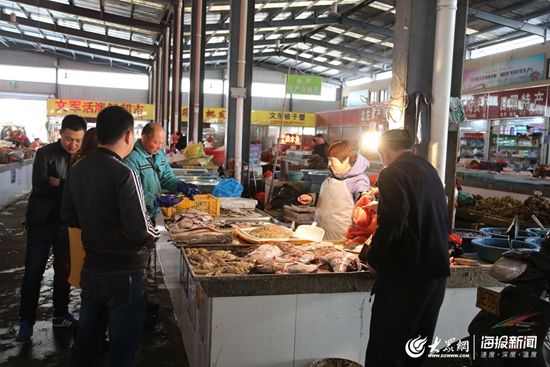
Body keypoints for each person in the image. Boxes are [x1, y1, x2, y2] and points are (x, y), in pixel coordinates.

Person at [61, 106, 160, 366]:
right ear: (129, 135)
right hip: (125, 274)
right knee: (123, 348)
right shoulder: (124, 173)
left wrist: (98, 226)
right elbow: (141, 231)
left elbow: (69, 216)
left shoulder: (78, 169)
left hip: (92, 267)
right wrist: (156, 235)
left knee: (86, 341)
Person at [360, 129, 450, 367]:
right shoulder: (428, 169)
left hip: (407, 275)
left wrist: (374, 258)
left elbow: (393, 221)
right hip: (436, 274)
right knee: (417, 349)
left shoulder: (391, 172)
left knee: (386, 350)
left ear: (383, 149)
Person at [16, 114, 86, 342]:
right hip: (42, 221)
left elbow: (74, 190)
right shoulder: (45, 154)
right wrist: (68, 188)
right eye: (69, 139)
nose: (73, 144)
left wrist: (60, 184)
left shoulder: (82, 158)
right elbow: (40, 186)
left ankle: (61, 314)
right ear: (61, 134)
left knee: (64, 271)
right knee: (33, 271)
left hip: (66, 223)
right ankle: (26, 321)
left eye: (77, 140)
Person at [123, 123, 198, 222]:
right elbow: (130, 191)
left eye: (162, 143)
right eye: (156, 142)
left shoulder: (159, 154)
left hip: (154, 213)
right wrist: (155, 200)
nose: (159, 147)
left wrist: (179, 185)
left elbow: (166, 177)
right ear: (144, 138)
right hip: (137, 216)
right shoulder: (131, 158)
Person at [314, 140, 370, 240]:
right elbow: (330, 199)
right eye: (328, 160)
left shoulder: (359, 180)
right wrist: (312, 198)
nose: (329, 165)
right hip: (320, 233)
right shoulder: (331, 175)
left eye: (332, 161)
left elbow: (364, 201)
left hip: (342, 238)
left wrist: (364, 195)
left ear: (346, 160)